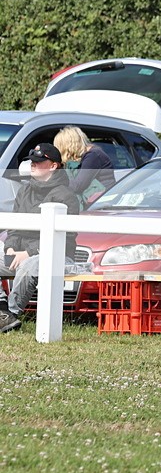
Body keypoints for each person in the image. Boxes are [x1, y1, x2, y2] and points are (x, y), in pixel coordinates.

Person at [0, 143, 80, 332]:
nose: (33, 164)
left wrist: (28, 252)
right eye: (32, 161)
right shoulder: (24, 191)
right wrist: (10, 248)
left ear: (54, 166)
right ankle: (2, 310)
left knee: (33, 264)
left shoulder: (66, 196)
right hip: (20, 252)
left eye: (39, 161)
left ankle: (12, 312)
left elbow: (65, 237)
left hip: (57, 255)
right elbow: (14, 227)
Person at [53, 126, 116, 206]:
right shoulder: (90, 155)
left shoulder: (93, 155)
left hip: (102, 203)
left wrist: (53, 182)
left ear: (66, 147)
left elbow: (78, 185)